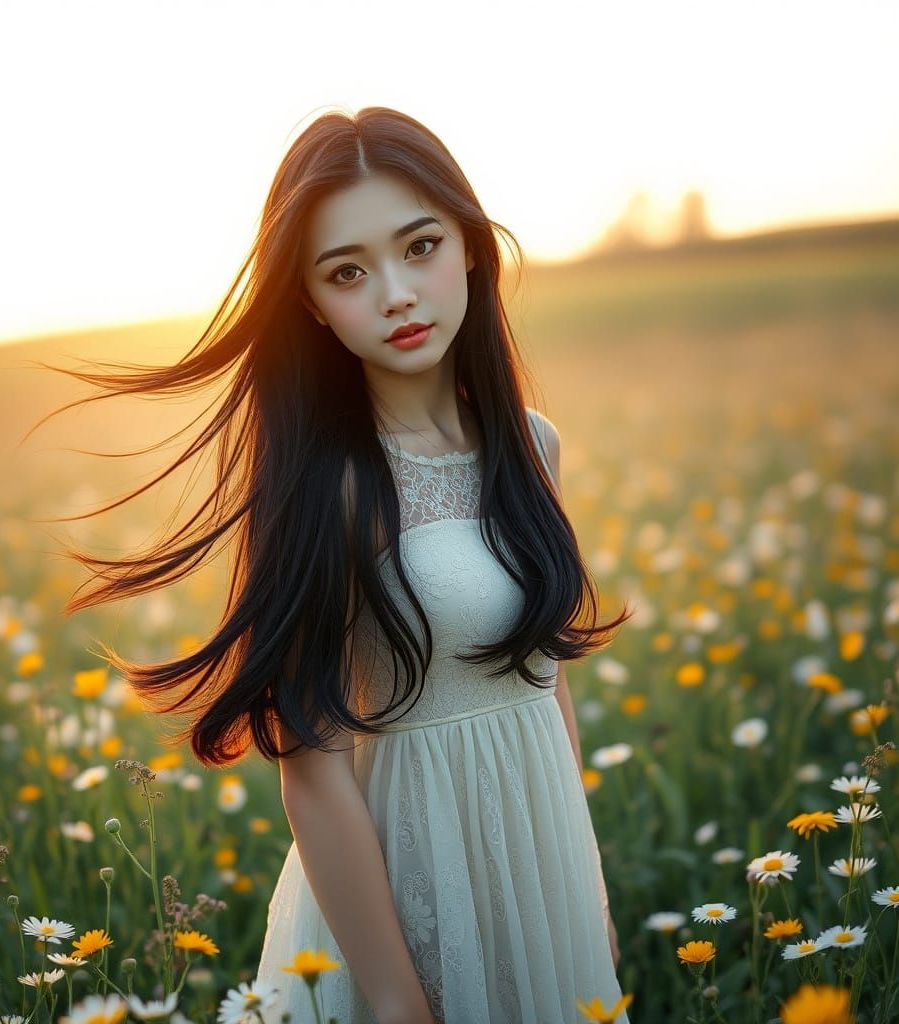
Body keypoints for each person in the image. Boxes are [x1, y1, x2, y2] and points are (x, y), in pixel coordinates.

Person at [40, 106, 632, 1023]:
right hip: (405, 890)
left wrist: (584, 893)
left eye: (421, 247)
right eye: (348, 272)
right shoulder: (332, 487)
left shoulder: (532, 444)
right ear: (311, 302)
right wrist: (396, 998)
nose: (396, 294)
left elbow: (547, 680)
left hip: (539, 870)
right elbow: (311, 766)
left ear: (471, 248)